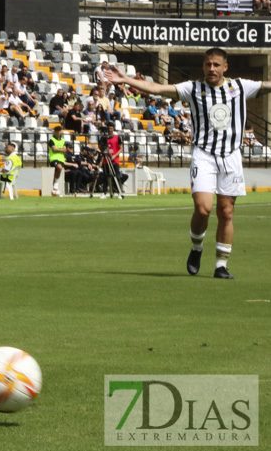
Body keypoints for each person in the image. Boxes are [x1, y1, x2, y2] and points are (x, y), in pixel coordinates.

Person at [106, 49, 271, 279]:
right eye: (207, 64)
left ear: (225, 67)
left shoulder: (240, 87)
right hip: (204, 155)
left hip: (231, 156)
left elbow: (266, 85)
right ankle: (196, 248)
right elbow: (158, 88)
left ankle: (221, 266)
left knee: (227, 212)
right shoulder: (193, 89)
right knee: (203, 208)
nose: (211, 68)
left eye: (215, 64)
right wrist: (126, 80)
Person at [48, 125, 69, 196]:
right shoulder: (51, 140)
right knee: (59, 168)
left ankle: (54, 189)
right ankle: (56, 184)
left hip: (61, 159)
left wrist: (58, 149)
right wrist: (61, 150)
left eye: (60, 131)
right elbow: (54, 149)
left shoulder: (63, 140)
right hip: (53, 158)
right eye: (57, 131)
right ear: (55, 132)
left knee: (58, 170)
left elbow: (65, 150)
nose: (59, 132)